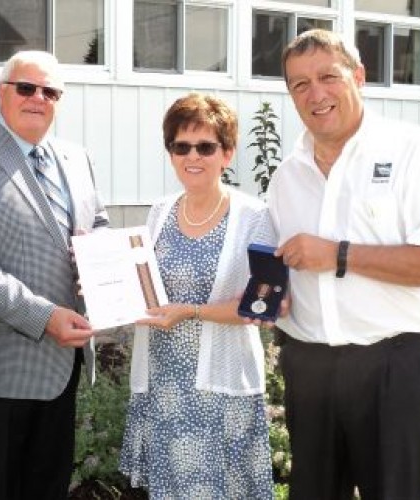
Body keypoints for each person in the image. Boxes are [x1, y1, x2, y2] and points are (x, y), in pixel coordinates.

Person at [0, 50, 109, 500]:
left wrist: (108, 271)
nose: (38, 98)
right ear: (2, 93)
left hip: (64, 361)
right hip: (5, 367)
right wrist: (46, 316)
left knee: (48, 487)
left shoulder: (77, 158)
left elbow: (99, 227)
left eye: (50, 91)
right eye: (26, 87)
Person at [268, 29, 420, 500]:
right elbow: (282, 265)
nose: (315, 94)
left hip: (394, 365)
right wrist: (273, 297)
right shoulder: (286, 176)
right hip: (309, 365)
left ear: (359, 76)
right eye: (299, 84)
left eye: (327, 77)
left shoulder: (412, 152)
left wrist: (338, 254)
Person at [119, 93, 275, 499]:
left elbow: (261, 305)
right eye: (181, 146)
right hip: (165, 386)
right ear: (170, 152)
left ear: (227, 153)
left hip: (220, 389)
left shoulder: (253, 217)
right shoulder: (160, 212)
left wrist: (190, 311)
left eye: (206, 146)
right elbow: (144, 283)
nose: (193, 156)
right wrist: (105, 281)